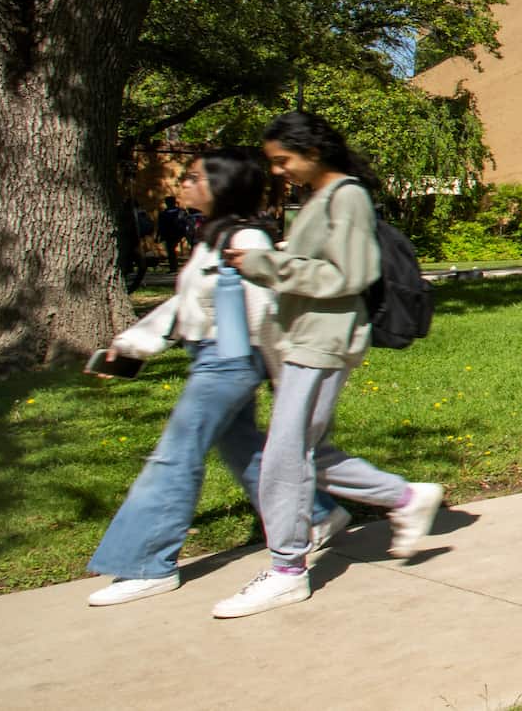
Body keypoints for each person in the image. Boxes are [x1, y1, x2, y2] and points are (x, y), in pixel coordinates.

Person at [85, 149, 347, 606]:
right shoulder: (213, 238)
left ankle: (148, 563)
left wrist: (289, 378)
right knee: (243, 448)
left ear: (221, 186)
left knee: (174, 455)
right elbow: (184, 307)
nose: (181, 185)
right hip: (211, 353)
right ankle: (316, 515)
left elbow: (268, 312)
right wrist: (132, 345)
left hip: (229, 360)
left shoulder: (246, 240)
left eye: (192, 178)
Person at [212, 111, 444, 620]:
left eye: (283, 160)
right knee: (307, 452)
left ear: (312, 151)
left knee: (284, 454)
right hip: (306, 339)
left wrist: (263, 264)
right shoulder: (321, 198)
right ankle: (405, 498)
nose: (277, 171)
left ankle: (287, 570)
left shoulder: (347, 196)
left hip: (324, 340)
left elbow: (350, 274)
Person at [154, 196, 190, 272]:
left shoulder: (163, 213)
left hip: (169, 235)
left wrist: (158, 237)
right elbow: (187, 222)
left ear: (167, 203)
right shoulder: (181, 211)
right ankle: (186, 267)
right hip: (181, 233)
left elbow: (161, 226)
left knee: (171, 251)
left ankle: (173, 267)